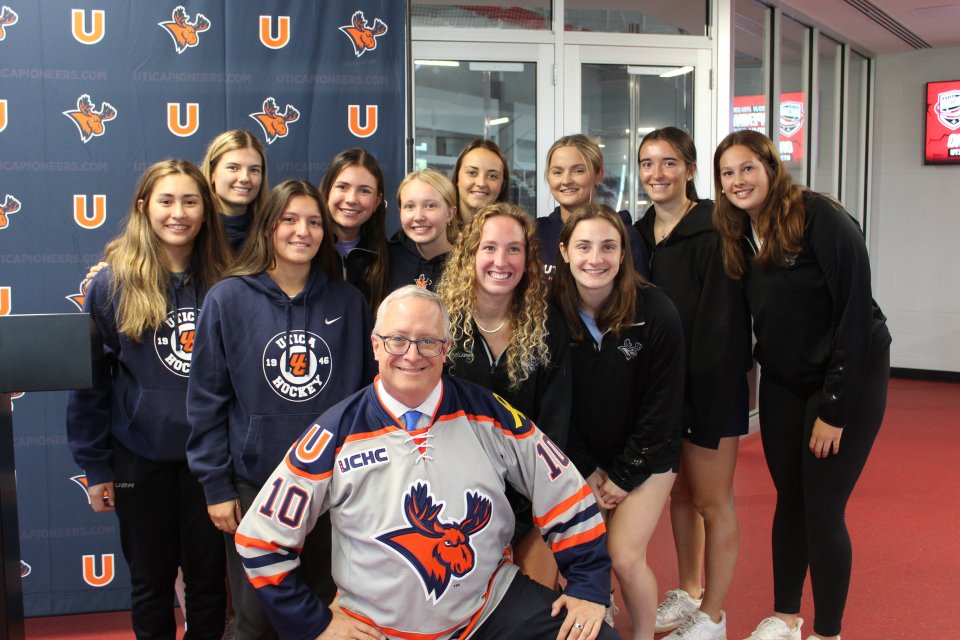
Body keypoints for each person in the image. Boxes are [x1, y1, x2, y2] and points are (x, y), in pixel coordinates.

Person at [235, 286, 619, 640]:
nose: (412, 354)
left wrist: (588, 585)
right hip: (377, 628)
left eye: (428, 341)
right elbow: (259, 540)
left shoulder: (488, 414)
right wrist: (314, 624)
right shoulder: (335, 432)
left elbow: (563, 487)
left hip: (490, 609)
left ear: (446, 348)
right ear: (375, 346)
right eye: (397, 339)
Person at [713, 130, 890, 640]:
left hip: (847, 377)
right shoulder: (738, 231)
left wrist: (834, 409)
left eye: (748, 167)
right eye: (728, 173)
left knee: (823, 506)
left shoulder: (821, 218)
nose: (738, 180)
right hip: (785, 381)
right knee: (788, 498)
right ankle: (786, 616)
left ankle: (827, 632)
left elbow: (856, 316)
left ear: (771, 167)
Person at [187, 180, 376, 640]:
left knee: (328, 612)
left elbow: (368, 395)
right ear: (268, 227)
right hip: (256, 486)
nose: (302, 231)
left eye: (314, 222)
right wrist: (215, 484)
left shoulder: (348, 302)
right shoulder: (227, 299)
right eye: (289, 219)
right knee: (256, 618)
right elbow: (207, 400)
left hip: (335, 490)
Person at [66, 159, 232, 639]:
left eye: (190, 201)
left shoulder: (228, 280)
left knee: (207, 583)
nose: (178, 212)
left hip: (209, 459)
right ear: (144, 207)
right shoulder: (111, 283)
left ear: (206, 211)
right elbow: (91, 382)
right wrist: (96, 467)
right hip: (139, 456)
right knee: (150, 582)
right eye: (166, 200)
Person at [632, 128, 752, 640]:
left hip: (709, 391)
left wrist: (697, 399)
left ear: (690, 169)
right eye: (646, 163)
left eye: (669, 163)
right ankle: (689, 591)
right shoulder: (639, 234)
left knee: (711, 499)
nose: (657, 174)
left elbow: (723, 327)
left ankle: (714, 617)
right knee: (679, 494)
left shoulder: (714, 230)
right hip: (663, 393)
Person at [551, 205, 685, 640]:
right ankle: (596, 613)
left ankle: (643, 634)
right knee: (573, 557)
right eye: (584, 247)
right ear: (564, 252)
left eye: (608, 247)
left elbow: (663, 408)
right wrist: (586, 468)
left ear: (624, 253)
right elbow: (552, 404)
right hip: (578, 456)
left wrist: (624, 475)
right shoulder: (546, 311)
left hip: (647, 455)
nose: (596, 259)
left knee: (624, 557)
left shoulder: (657, 311)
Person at [437, 202, 572, 589]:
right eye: (489, 247)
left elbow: (554, 428)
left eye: (514, 249)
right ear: (470, 255)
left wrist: (534, 509)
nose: (502, 260)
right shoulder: (441, 321)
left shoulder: (548, 325)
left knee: (531, 604)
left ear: (528, 259)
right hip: (453, 500)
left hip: (529, 498)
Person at [537, 134, 650, 283]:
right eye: (557, 172)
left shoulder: (625, 235)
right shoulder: (536, 233)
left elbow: (639, 298)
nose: (566, 180)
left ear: (598, 175)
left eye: (578, 170)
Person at [318, 147, 389, 310]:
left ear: (377, 201)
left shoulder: (388, 257)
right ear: (327, 190)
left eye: (364, 191)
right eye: (342, 187)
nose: (351, 199)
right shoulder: (306, 251)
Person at [387, 168, 462, 292]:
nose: (419, 217)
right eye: (409, 206)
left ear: (450, 213)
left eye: (430, 206)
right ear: (400, 212)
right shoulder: (387, 259)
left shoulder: (467, 264)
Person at [201, 130, 270, 254]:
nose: (244, 178)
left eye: (254, 170)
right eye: (233, 168)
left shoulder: (271, 230)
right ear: (212, 173)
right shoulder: (193, 228)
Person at [450, 139, 510, 226]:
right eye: (472, 173)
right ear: (457, 178)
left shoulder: (512, 234)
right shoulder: (437, 230)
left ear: (502, 185)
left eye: (492, 176)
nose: (481, 183)